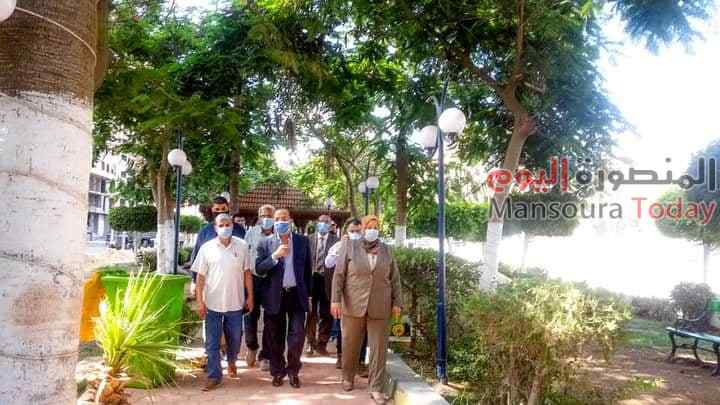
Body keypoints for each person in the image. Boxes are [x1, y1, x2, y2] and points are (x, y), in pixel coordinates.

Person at [331, 215, 402, 404]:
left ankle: (376, 387)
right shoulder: (349, 246)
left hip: (380, 305)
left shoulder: (387, 250)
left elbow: (395, 278)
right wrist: (335, 300)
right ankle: (348, 376)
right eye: (369, 227)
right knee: (350, 344)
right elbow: (339, 275)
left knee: (379, 348)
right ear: (362, 229)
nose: (372, 230)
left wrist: (397, 302)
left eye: (376, 227)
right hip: (353, 304)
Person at [192, 214, 254, 391]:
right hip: (212, 303)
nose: (225, 228)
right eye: (221, 225)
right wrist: (200, 301)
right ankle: (214, 376)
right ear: (215, 227)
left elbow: (247, 273)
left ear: (233, 226)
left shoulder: (242, 246)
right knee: (212, 343)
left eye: (228, 224)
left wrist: (250, 296)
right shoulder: (206, 248)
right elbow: (200, 277)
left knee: (235, 339)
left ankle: (232, 360)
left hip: (235, 303)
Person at [255, 209, 313, 389]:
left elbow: (307, 270)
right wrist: (275, 256)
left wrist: (309, 296)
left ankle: (293, 371)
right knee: (275, 337)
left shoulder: (303, 241)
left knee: (297, 336)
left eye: (284, 218)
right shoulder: (265, 243)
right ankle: (278, 372)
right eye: (277, 219)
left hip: (296, 295)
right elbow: (259, 269)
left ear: (291, 220)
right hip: (274, 296)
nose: (281, 222)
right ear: (273, 222)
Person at [324, 218, 363, 369]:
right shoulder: (340, 245)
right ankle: (341, 356)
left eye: (358, 231)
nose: (355, 234)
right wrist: (341, 248)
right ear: (346, 231)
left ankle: (359, 360)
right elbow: (328, 263)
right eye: (352, 231)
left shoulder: (367, 246)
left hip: (363, 293)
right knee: (343, 328)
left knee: (362, 329)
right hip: (345, 294)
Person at [243, 204, 275, 371]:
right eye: (263, 215)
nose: (266, 218)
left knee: (271, 318)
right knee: (250, 315)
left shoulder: (279, 233)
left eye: (269, 215)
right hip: (253, 279)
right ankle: (251, 346)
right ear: (259, 217)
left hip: (271, 280)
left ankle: (266, 356)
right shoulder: (251, 233)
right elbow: (245, 255)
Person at [305, 214, 339, 356]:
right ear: (317, 223)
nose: (323, 224)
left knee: (326, 313)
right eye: (321, 221)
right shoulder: (308, 239)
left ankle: (322, 343)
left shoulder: (336, 241)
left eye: (326, 222)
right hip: (312, 279)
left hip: (328, 279)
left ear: (330, 225)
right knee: (311, 312)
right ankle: (310, 343)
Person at [190, 196, 246, 282]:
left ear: (228, 209)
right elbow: (196, 257)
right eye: (217, 209)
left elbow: (246, 257)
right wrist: (194, 280)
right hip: (211, 280)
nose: (220, 212)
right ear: (212, 210)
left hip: (235, 280)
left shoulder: (239, 230)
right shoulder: (205, 232)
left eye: (223, 209)